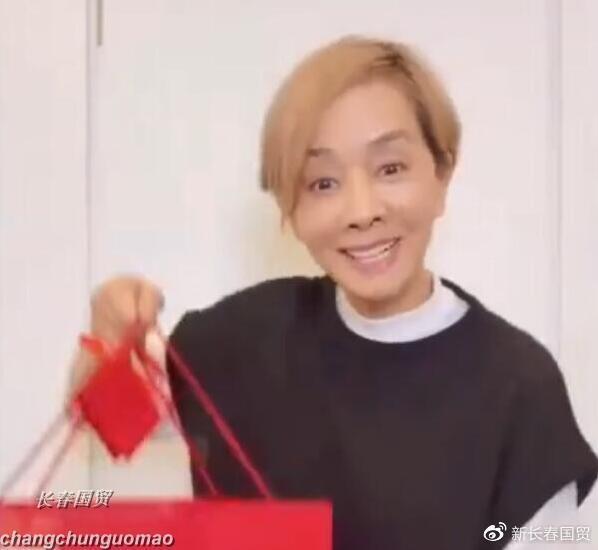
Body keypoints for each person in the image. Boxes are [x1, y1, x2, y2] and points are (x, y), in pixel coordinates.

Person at [83, 36, 597, 549]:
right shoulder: (238, 341)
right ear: (291, 209)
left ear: (442, 173)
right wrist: (107, 337)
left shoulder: (518, 387)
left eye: (390, 169)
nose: (361, 210)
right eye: (322, 183)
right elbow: (109, 425)